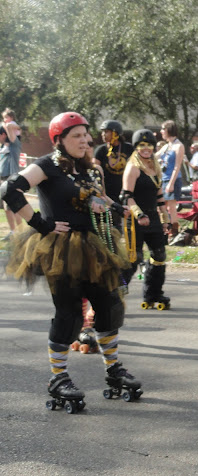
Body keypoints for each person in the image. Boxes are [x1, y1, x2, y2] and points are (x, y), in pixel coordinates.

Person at [0, 112, 142, 412]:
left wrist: (119, 209)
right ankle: (59, 377)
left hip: (95, 246)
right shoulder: (46, 165)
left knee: (109, 306)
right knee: (69, 314)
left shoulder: (89, 168)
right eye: (76, 136)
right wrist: (41, 224)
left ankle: (113, 369)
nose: (85, 140)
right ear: (59, 140)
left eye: (85, 135)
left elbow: (99, 198)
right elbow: (10, 190)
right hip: (61, 250)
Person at [121, 129, 172, 310]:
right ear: (136, 147)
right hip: (136, 220)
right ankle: (116, 292)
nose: (146, 148)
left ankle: (153, 293)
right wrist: (139, 215)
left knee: (159, 256)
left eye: (149, 145)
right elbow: (126, 196)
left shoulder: (154, 168)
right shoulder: (133, 168)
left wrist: (166, 218)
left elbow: (160, 197)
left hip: (153, 219)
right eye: (142, 145)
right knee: (134, 258)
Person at [93, 120, 134, 231]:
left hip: (125, 192)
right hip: (108, 194)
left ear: (116, 133)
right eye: (102, 132)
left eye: (106, 131)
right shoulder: (101, 150)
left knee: (130, 226)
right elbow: (94, 172)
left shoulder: (129, 148)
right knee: (113, 227)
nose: (103, 135)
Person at [157, 120, 184, 239]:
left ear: (169, 130)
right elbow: (155, 156)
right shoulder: (167, 146)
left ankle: (174, 231)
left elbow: (177, 166)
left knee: (171, 207)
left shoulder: (179, 146)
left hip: (173, 180)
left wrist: (171, 184)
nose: (161, 131)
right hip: (163, 179)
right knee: (161, 206)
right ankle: (165, 229)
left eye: (163, 129)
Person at [0, 109, 23, 239]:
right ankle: (13, 231)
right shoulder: (4, 147)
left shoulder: (15, 144)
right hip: (4, 177)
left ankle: (20, 232)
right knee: (6, 207)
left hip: (11, 177)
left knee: (14, 205)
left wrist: (9, 126)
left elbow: (10, 127)